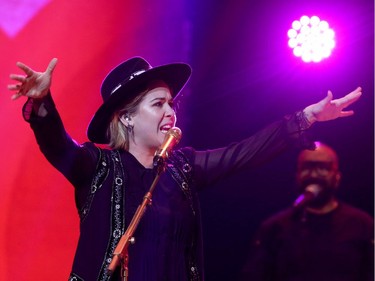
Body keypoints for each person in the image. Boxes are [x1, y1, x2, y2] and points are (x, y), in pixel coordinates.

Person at [8, 56, 362, 281]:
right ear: (128, 117)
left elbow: (243, 153)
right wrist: (41, 100)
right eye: (158, 104)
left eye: (171, 104)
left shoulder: (184, 168)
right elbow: (57, 145)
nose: (170, 112)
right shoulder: (97, 167)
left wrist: (307, 117)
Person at [239, 142, 374, 281]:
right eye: (307, 167)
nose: (314, 174)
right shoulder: (274, 227)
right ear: (297, 175)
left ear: (337, 177)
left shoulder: (362, 224)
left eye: (323, 167)